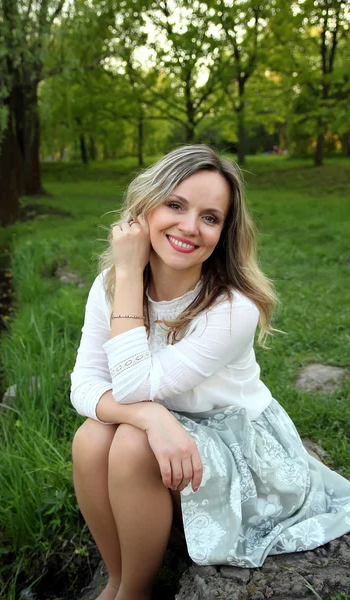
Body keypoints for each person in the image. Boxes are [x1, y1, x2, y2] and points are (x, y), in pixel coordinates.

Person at [70, 145, 350, 600]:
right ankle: (118, 580)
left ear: (223, 232)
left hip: (239, 445)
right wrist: (153, 417)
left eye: (210, 217)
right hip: (165, 433)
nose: (188, 227)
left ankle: (135, 593)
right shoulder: (112, 287)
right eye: (175, 205)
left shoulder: (230, 309)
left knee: (128, 444)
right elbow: (83, 383)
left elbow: (131, 385)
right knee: (90, 438)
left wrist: (126, 275)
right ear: (144, 209)